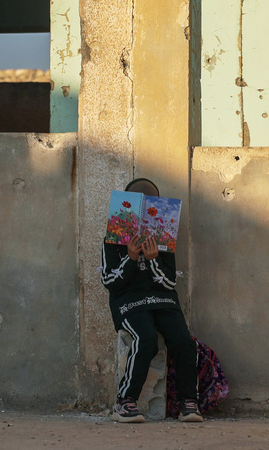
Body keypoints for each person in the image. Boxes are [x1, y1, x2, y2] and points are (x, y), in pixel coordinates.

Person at [101, 177, 203, 423]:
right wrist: (131, 258)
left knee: (184, 341)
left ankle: (189, 402)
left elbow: (169, 283)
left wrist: (155, 258)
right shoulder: (112, 238)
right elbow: (109, 281)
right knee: (145, 339)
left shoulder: (164, 237)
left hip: (162, 300)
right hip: (129, 300)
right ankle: (125, 402)